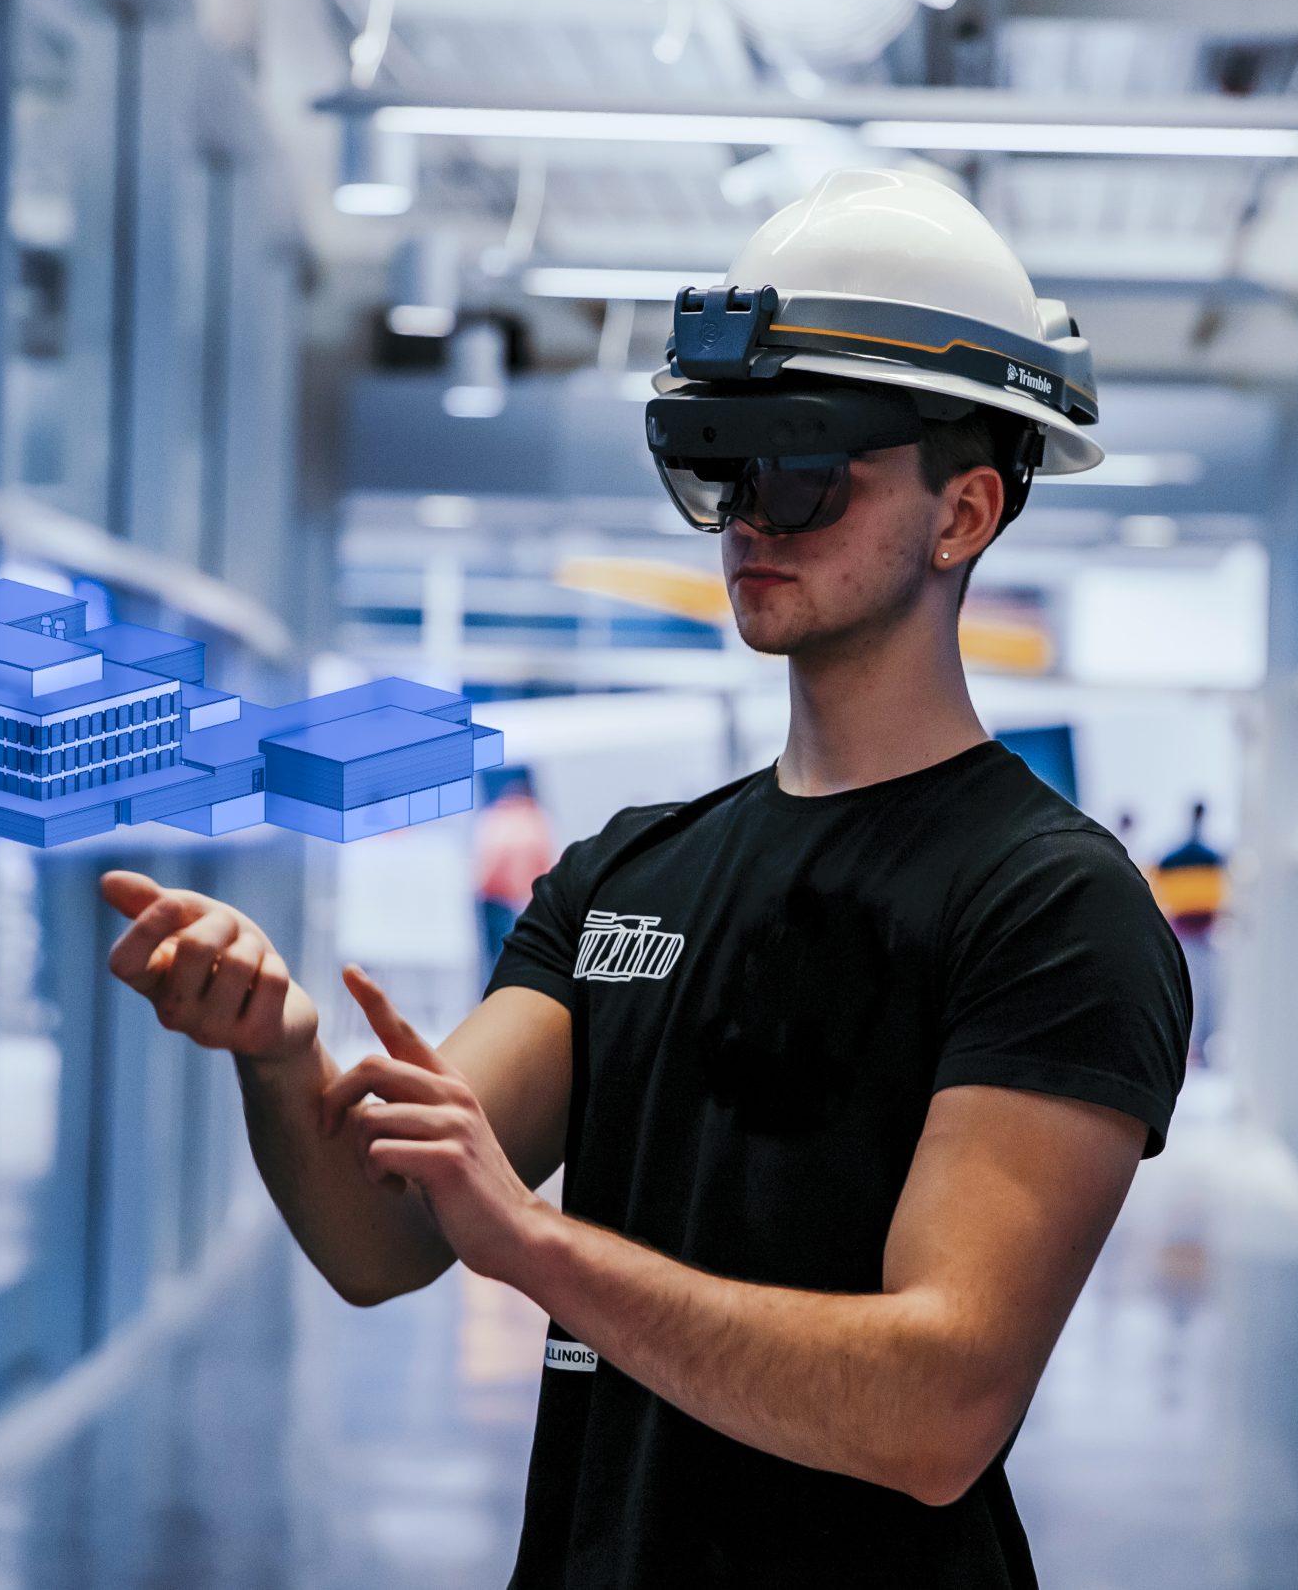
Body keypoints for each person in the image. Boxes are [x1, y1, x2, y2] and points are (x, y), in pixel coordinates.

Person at [96, 167, 1189, 1590]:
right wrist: (280, 1053)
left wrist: (542, 1249)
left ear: (964, 513)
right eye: (719, 464)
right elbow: (384, 1238)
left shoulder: (1049, 906)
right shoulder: (629, 873)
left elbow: (939, 1408)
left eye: (803, 466)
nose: (751, 515)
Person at [1151, 799, 1227, 1069]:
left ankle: (1194, 1047)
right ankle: (1192, 1047)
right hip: (1191, 933)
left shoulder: (1181, 857)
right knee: (1197, 991)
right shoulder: (1207, 857)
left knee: (1196, 990)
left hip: (1191, 932)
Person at [473, 768, 555, 990]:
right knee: (519, 957)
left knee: (496, 957)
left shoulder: (494, 818)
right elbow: (545, 862)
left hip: (496, 898)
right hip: (524, 899)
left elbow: (486, 865)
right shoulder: (536, 818)